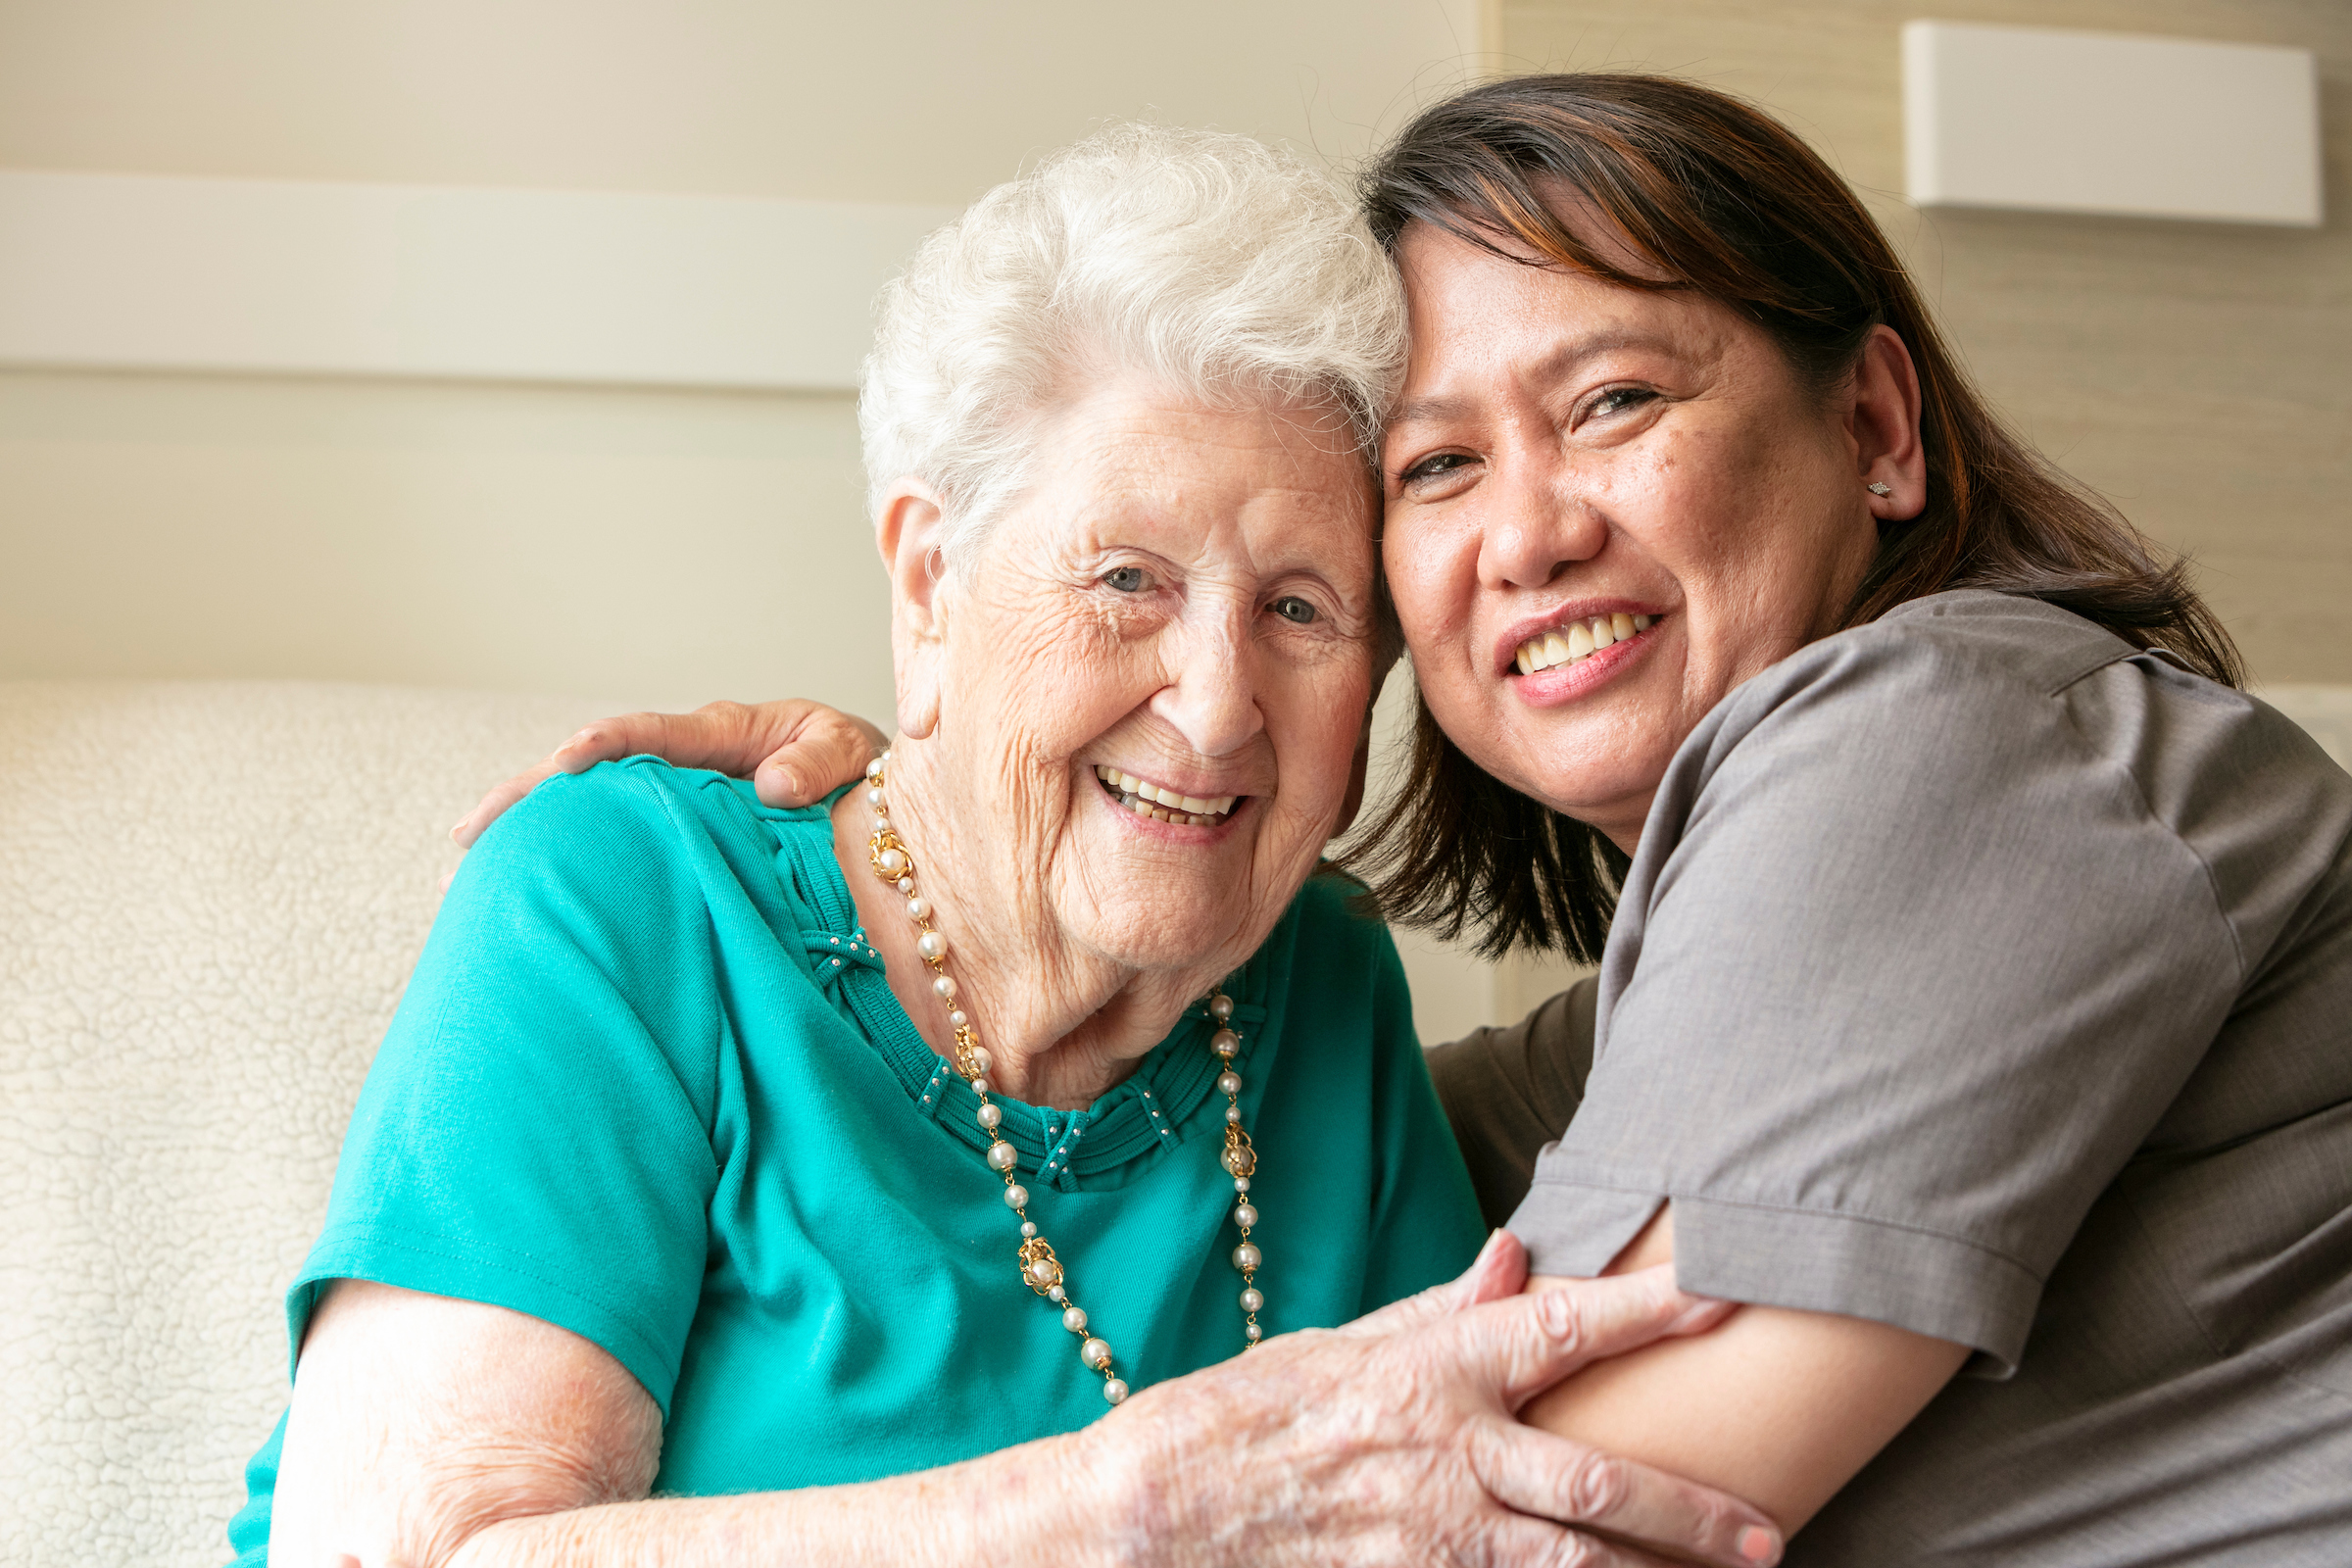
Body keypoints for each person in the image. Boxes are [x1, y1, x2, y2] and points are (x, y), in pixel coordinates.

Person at [518, 75, 2352, 1564]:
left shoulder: (1954, 737)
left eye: (1617, 399)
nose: (1526, 530)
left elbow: (1500, 1525)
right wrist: (924, 831)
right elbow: (1249, 1117)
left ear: (1876, 423)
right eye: (1440, 467)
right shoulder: (1712, 978)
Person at [230, 124, 1786, 1568]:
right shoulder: (628, 907)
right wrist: (1133, 1504)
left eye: (1301, 611)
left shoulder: (1322, 989)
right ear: (929, 584)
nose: (1218, 702)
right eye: (1126, 579)